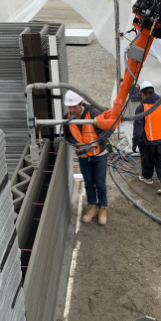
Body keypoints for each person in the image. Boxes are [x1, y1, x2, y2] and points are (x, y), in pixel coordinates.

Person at [63, 91, 110, 225]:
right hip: (83, 156)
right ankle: (92, 207)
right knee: (88, 182)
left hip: (99, 156)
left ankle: (103, 208)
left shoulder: (94, 114)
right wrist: (76, 143)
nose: (71, 110)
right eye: (69, 107)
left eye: (74, 107)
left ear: (81, 104)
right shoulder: (68, 118)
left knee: (100, 183)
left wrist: (98, 142)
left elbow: (109, 128)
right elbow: (67, 136)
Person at [132, 80, 161, 195]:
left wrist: (135, 143)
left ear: (142, 94)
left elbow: (138, 129)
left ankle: (147, 178)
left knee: (147, 160)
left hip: (148, 141)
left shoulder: (141, 108)